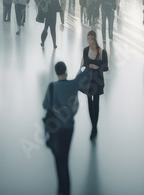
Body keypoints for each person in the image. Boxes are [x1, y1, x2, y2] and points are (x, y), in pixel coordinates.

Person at [43, 61, 85, 195]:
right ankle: (66, 190)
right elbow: (84, 74)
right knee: (65, 159)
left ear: (56, 72)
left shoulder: (52, 87)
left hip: (56, 129)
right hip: (69, 127)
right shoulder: (74, 84)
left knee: (58, 160)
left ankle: (62, 189)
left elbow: (45, 105)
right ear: (65, 71)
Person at [81, 31, 109, 140]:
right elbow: (84, 64)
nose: (90, 40)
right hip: (88, 80)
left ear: (95, 39)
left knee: (96, 102)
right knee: (89, 102)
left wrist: (96, 66)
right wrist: (90, 65)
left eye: (92, 38)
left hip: (97, 81)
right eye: (88, 38)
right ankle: (93, 125)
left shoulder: (102, 52)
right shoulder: (85, 50)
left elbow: (106, 67)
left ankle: (94, 127)